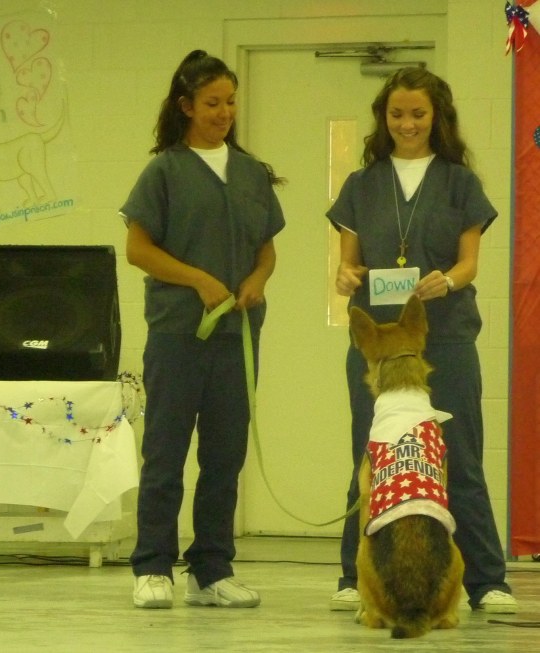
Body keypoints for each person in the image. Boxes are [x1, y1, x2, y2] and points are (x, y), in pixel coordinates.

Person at [326, 67, 518, 614]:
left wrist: (449, 280)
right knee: (373, 449)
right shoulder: (361, 185)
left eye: (418, 114)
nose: (407, 124)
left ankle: (486, 579)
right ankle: (351, 574)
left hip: (446, 338)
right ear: (383, 119)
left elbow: (470, 262)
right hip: (378, 346)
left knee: (459, 454)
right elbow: (348, 263)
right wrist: (344, 277)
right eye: (396, 114)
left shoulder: (460, 182)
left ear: (438, 118)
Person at [118, 49, 285, 609]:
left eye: (231, 102)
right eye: (212, 103)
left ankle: (211, 568)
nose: (224, 112)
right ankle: (153, 566)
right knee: (166, 451)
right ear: (186, 106)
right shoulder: (164, 170)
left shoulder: (252, 174)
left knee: (224, 454)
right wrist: (199, 281)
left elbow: (266, 249)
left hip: (237, 338)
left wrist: (257, 279)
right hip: (177, 334)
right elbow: (137, 250)